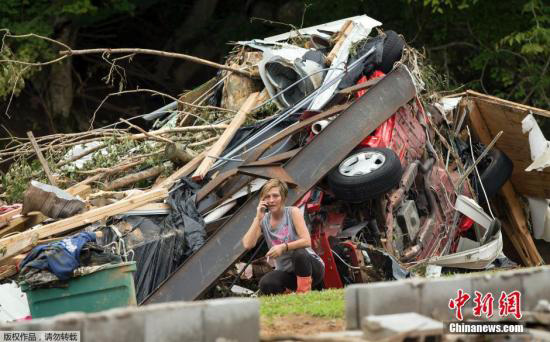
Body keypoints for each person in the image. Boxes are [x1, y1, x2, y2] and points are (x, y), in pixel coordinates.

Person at [242, 178, 324, 295]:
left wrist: (283, 247)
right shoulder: (263, 220)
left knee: (299, 253)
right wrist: (258, 217)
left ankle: (304, 295)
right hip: (288, 273)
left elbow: (306, 241)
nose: (271, 200)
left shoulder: (292, 212)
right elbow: (248, 244)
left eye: (275, 196)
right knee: (266, 283)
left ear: (283, 198)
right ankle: (289, 299)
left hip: (311, 268)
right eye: (267, 197)